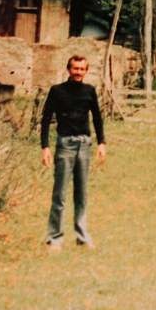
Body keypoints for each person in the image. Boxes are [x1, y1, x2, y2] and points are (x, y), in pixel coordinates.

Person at [40, 55, 106, 251]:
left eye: (82, 69)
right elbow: (45, 120)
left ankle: (82, 236)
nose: (78, 72)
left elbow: (97, 118)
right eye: (75, 68)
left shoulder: (90, 91)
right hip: (65, 146)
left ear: (86, 71)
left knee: (82, 193)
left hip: (84, 145)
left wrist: (102, 143)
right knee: (60, 193)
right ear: (69, 69)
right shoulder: (57, 91)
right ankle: (54, 238)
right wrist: (45, 147)